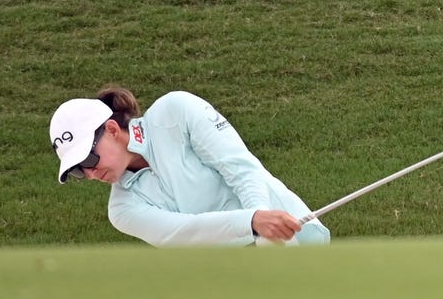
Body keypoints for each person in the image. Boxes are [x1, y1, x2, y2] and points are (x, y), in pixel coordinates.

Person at [50, 87, 330, 247]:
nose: (89, 173)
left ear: (111, 129)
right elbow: (187, 233)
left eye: (88, 159)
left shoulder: (175, 110)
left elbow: (240, 168)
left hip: (302, 240)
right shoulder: (121, 210)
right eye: (77, 171)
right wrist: (253, 223)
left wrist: (264, 224)